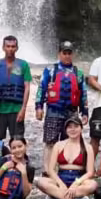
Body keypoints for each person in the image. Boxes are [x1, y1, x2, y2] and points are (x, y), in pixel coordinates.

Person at [35, 42, 88, 173]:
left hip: (72, 113)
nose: (67, 55)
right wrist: (39, 106)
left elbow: (83, 94)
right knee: (50, 142)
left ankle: (65, 170)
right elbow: (41, 88)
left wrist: (85, 112)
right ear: (59, 54)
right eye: (64, 53)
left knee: (70, 141)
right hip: (53, 110)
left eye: (69, 53)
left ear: (73, 54)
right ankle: (48, 171)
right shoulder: (50, 70)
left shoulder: (78, 73)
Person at [35, 114, 99, 199]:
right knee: (40, 181)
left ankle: (57, 195)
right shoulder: (58, 145)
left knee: (93, 184)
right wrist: (61, 184)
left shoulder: (87, 147)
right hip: (61, 177)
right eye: (69, 127)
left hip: (78, 178)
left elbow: (90, 172)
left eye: (76, 126)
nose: (72, 129)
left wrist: (76, 184)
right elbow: (51, 170)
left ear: (81, 128)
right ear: (66, 130)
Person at [0, 35, 32, 141]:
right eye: (8, 46)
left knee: (17, 140)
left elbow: (27, 88)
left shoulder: (23, 65)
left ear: (17, 48)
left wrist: (23, 109)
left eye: (13, 46)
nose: (10, 49)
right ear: (3, 47)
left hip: (16, 109)